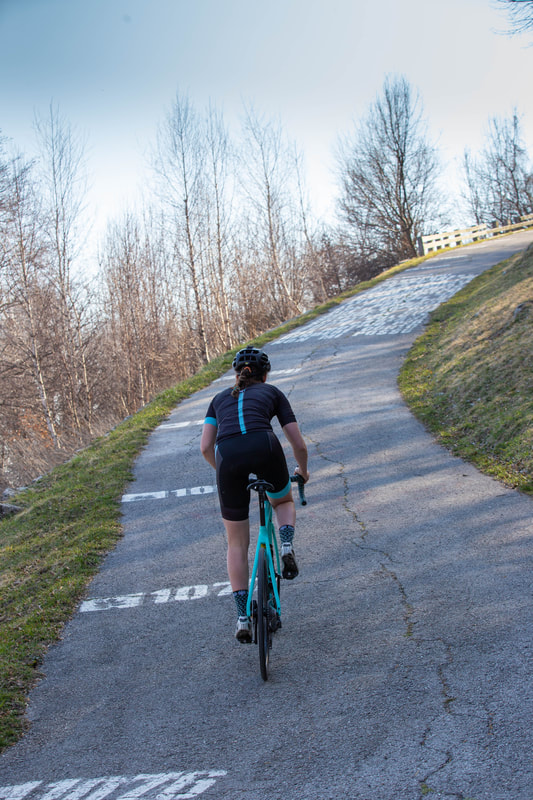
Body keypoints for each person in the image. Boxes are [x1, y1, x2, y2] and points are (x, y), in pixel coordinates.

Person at [200, 347, 309, 643]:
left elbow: (206, 447)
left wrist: (225, 472)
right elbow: (297, 442)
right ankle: (286, 545)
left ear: (236, 374)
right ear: (265, 374)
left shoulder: (218, 399)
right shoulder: (272, 392)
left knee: (236, 544)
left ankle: (242, 616)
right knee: (283, 500)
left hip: (228, 459)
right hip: (265, 447)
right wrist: (303, 469)